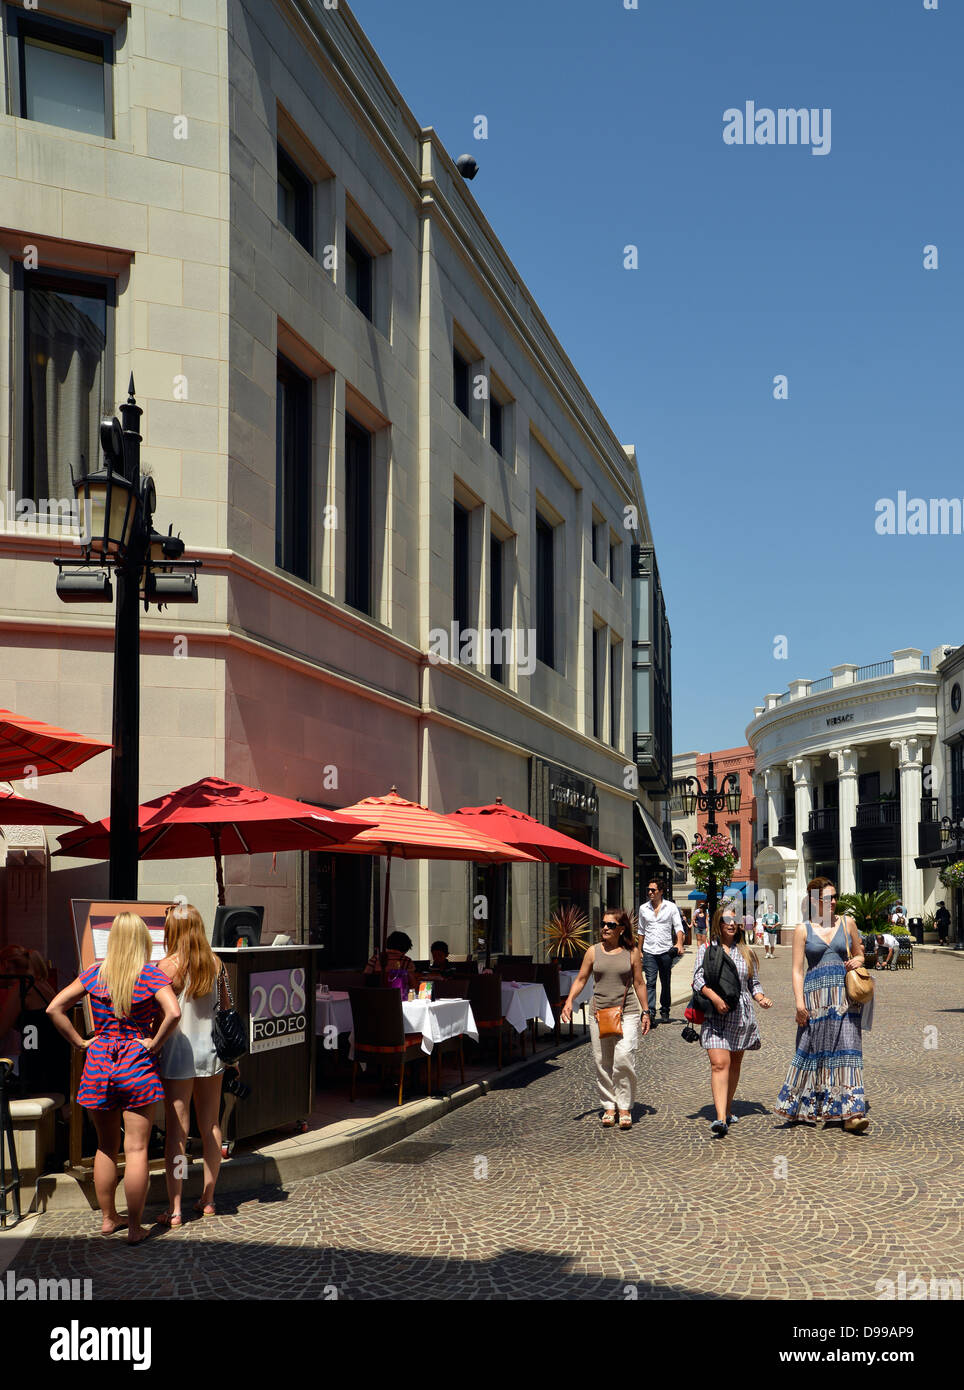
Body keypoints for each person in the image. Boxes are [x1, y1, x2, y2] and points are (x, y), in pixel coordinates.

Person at [46, 913, 181, 1242]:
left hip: (99, 1062)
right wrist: (154, 1042)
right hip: (136, 1061)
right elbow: (174, 1012)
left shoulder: (96, 972)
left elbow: (54, 1008)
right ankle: (135, 1228)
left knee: (106, 1147)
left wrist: (79, 1042)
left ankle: (109, 1219)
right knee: (136, 1149)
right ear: (142, 940)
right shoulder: (150, 975)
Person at [775, 876, 869, 1133]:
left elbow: (860, 952)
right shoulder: (802, 929)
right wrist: (798, 1003)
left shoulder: (848, 923)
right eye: (829, 898)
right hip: (814, 998)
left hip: (845, 997)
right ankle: (812, 1105)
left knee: (848, 1049)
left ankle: (852, 1112)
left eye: (835, 896)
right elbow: (796, 970)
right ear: (815, 901)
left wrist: (859, 960)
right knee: (815, 1049)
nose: (834, 902)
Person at [156, 900, 230, 1226]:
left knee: (177, 1133)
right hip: (211, 1053)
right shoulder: (216, 964)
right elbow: (227, 1008)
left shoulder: (165, 967)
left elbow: (157, 1014)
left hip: (177, 1053)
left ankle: (175, 1208)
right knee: (211, 1125)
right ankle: (209, 1198)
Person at [561, 910, 650, 1129]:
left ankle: (625, 1107)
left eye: (611, 925)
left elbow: (639, 983)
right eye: (603, 924)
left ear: (621, 929)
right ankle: (609, 1106)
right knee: (603, 1062)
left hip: (626, 1012)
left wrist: (645, 1011)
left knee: (624, 1057)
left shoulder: (632, 952)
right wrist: (569, 1000)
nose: (605, 928)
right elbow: (581, 978)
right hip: (599, 1013)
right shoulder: (593, 952)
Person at [693, 907, 772, 1136]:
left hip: (740, 1016)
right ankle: (720, 1119)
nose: (731, 923)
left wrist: (761, 998)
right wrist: (715, 999)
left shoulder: (746, 952)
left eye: (735, 920)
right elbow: (697, 979)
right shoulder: (707, 949)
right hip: (716, 1014)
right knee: (720, 1063)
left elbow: (753, 983)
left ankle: (726, 1110)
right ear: (719, 922)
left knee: (734, 1064)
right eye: (727, 919)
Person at [0, 946, 70, 1101]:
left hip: (38, 1061)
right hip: (55, 1055)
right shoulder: (43, 984)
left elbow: (2, 1028)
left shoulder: (23, 988)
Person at [637, 880, 684, 1025]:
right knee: (650, 982)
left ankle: (665, 1009)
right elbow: (641, 930)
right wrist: (639, 950)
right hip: (649, 951)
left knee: (665, 981)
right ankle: (650, 1012)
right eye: (649, 890)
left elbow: (678, 926)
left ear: (661, 891)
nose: (650, 892)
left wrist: (679, 943)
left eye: (653, 890)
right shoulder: (643, 908)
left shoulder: (671, 907)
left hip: (665, 951)